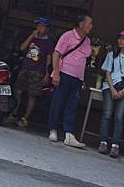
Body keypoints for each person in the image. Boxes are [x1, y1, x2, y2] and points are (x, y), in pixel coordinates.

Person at [48, 14, 93, 148]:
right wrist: (56, 73)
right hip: (64, 74)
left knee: (72, 105)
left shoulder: (87, 41)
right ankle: (53, 129)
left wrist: (82, 78)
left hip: (78, 78)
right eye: (89, 23)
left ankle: (69, 133)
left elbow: (84, 60)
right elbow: (56, 53)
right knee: (58, 102)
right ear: (81, 24)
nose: (91, 26)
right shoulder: (67, 36)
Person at [7, 17, 54, 127]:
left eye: (42, 26)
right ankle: (14, 113)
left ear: (46, 28)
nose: (39, 28)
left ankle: (25, 118)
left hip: (38, 71)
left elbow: (49, 59)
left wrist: (47, 74)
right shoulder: (32, 39)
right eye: (38, 25)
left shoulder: (48, 42)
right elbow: (22, 48)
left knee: (31, 95)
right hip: (25, 68)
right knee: (18, 90)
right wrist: (32, 36)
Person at [98, 31, 124, 158]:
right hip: (110, 86)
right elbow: (107, 73)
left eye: (123, 39)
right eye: (119, 38)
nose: (121, 41)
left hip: (123, 88)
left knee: (119, 116)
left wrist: (122, 91)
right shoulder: (111, 55)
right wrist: (113, 89)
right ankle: (103, 142)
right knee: (107, 113)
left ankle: (115, 145)